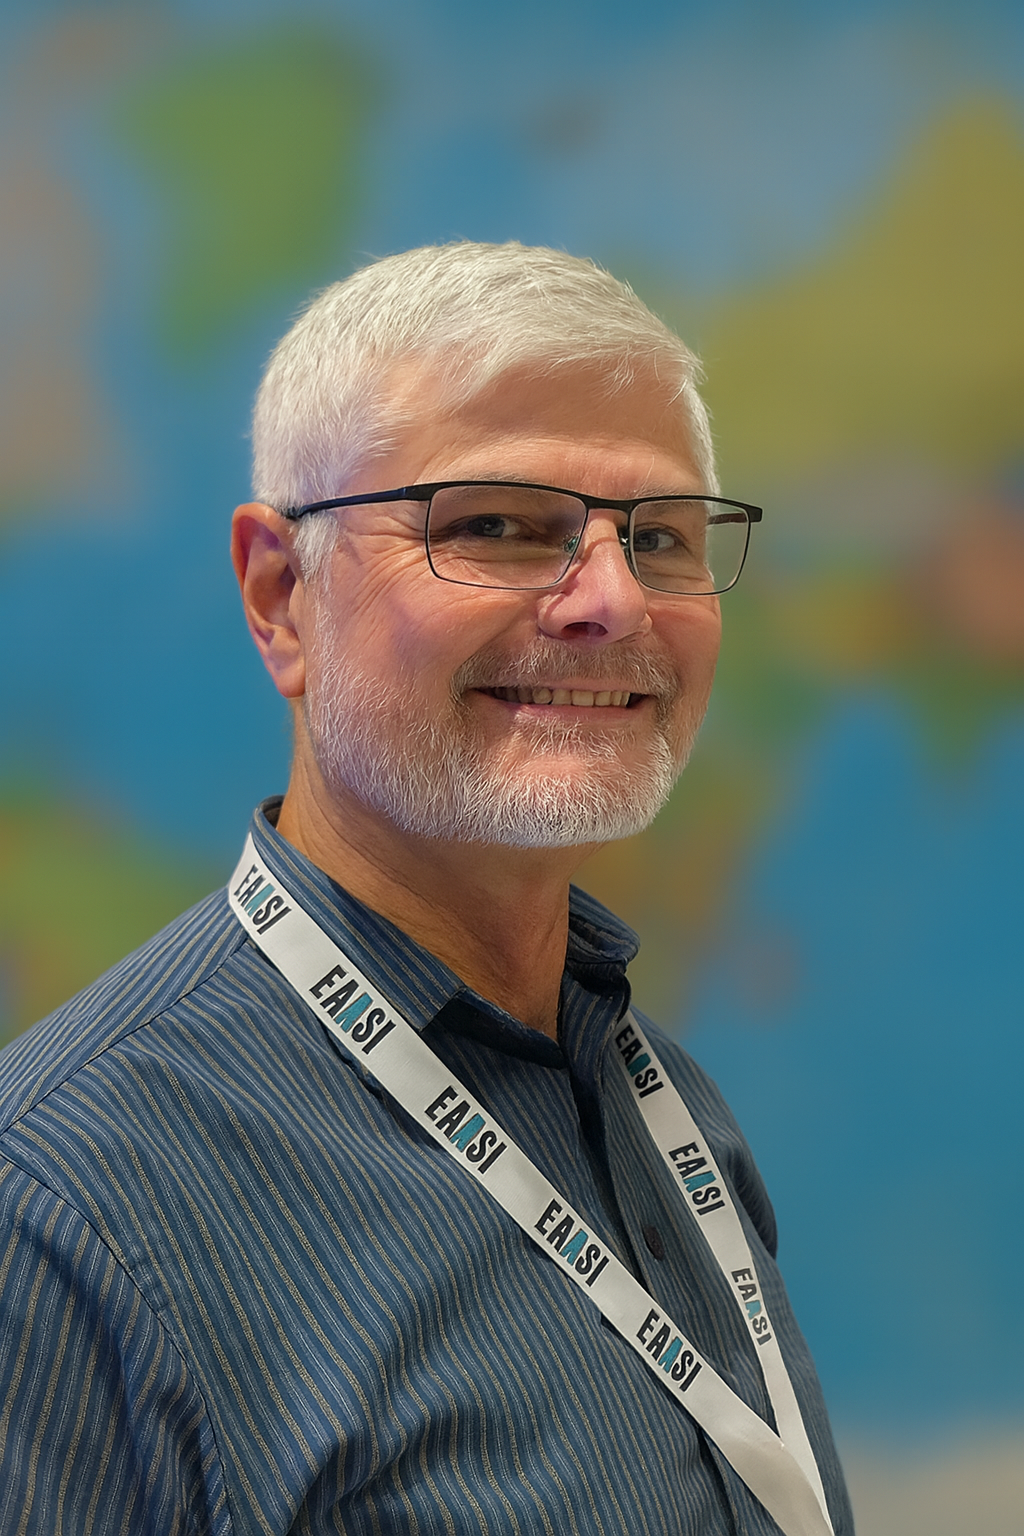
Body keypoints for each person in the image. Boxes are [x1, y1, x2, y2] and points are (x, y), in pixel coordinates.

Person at [0, 243, 853, 1536]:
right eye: (498, 525)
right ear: (281, 597)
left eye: (663, 537)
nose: (612, 600)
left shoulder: (661, 1103)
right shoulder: (60, 1215)